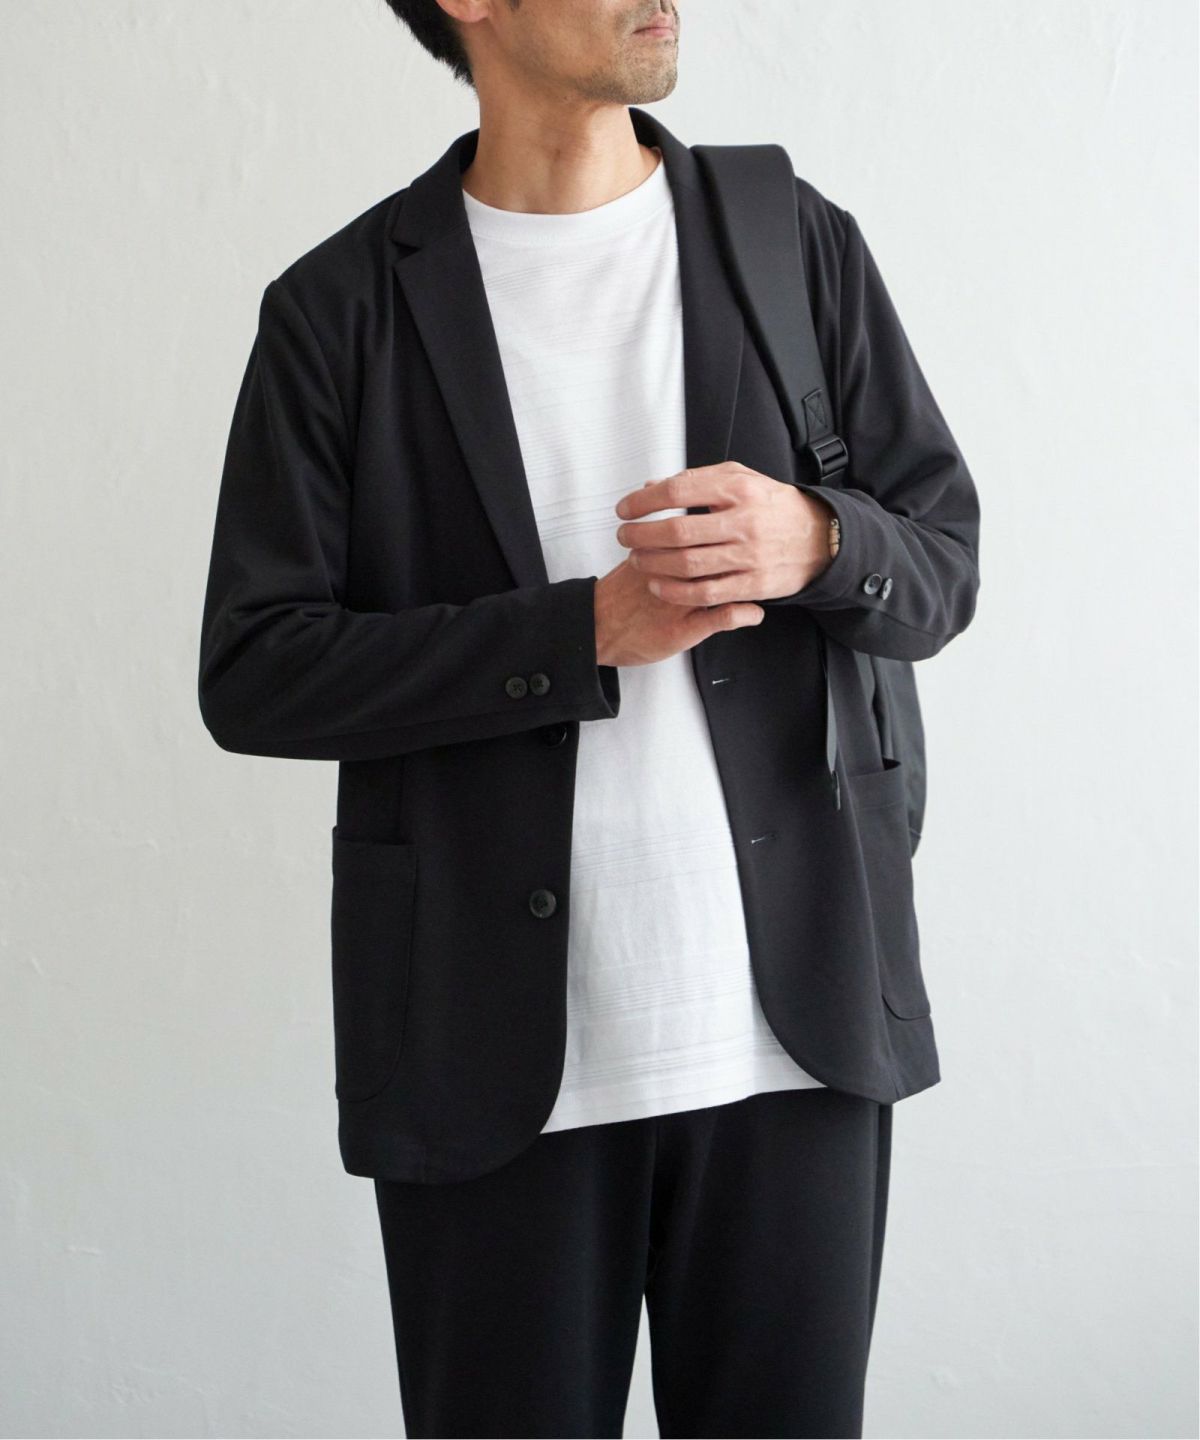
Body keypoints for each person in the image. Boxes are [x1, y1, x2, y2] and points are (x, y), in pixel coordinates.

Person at [198, 2, 981, 1434]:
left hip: (797, 1030)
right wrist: (575, 637)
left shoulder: (788, 238)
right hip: (485, 1055)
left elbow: (941, 567)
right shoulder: (340, 309)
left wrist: (818, 540)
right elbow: (255, 669)